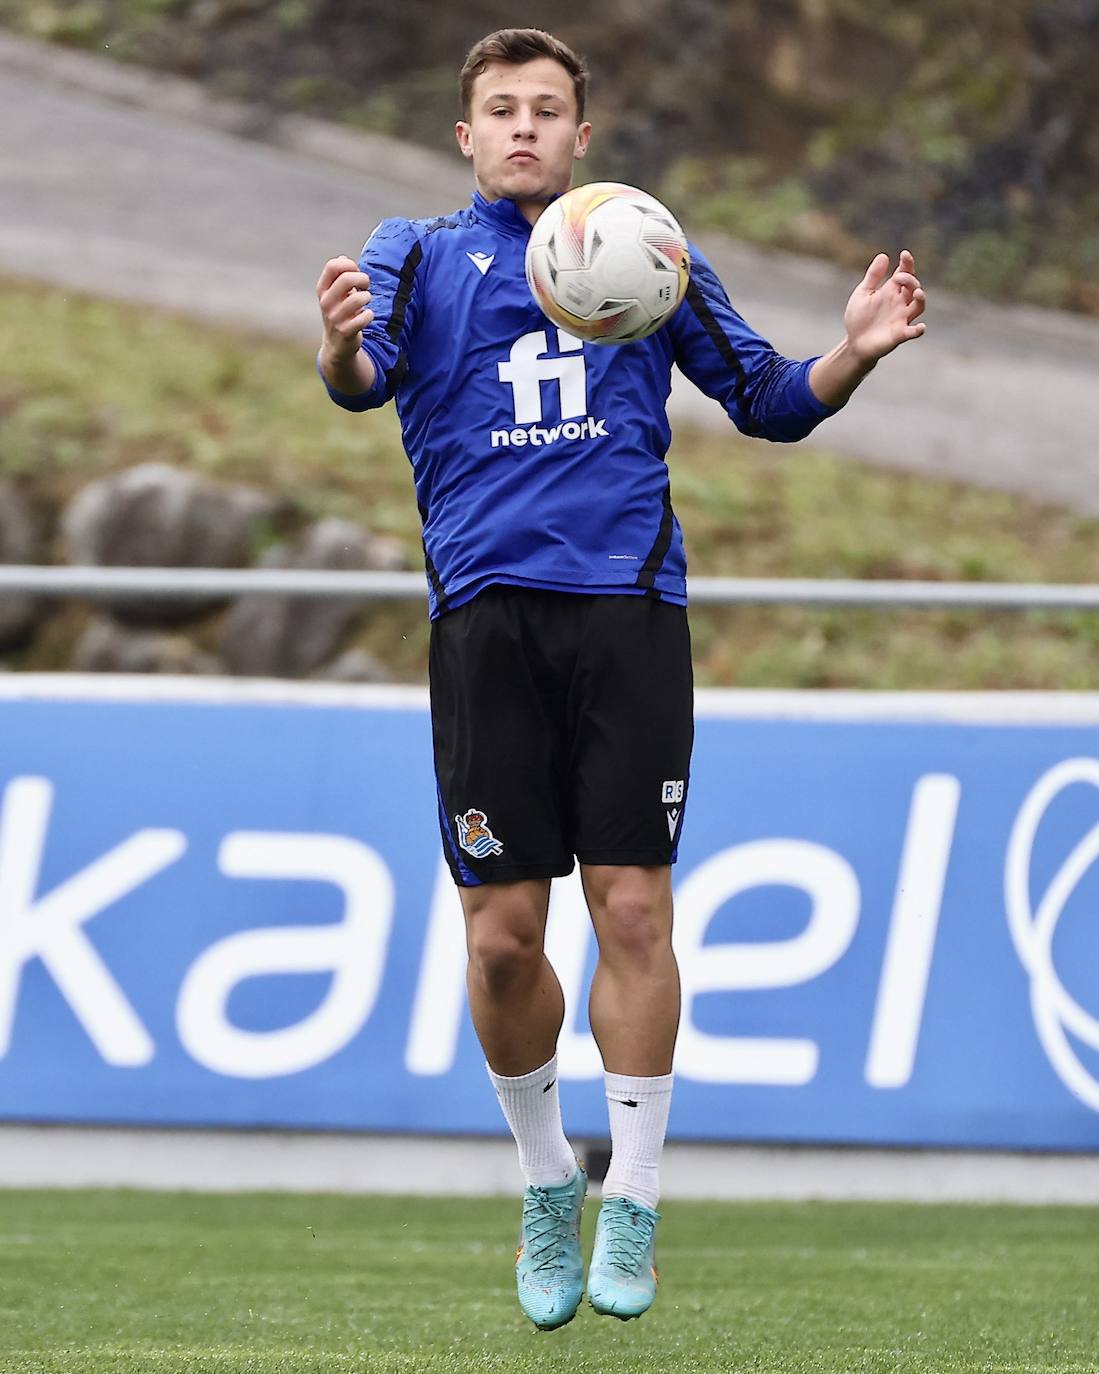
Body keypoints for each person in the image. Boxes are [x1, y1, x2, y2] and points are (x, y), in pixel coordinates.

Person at [315, 27, 926, 1331]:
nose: (525, 127)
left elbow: (766, 398)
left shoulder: (649, 247)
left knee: (634, 912)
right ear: (465, 135)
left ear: (583, 135)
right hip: (486, 626)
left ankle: (634, 1197)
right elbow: (359, 381)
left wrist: (856, 347)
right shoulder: (414, 254)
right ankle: (548, 1179)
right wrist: (339, 347)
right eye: (501, 109)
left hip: (630, 616)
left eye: (548, 109)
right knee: (498, 941)